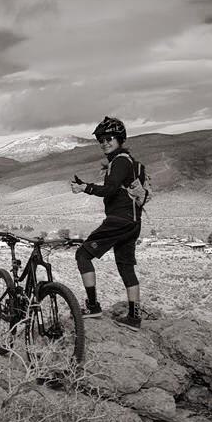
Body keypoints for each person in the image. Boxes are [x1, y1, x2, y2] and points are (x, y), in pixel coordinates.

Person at [70, 116, 143, 331]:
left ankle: (92, 306)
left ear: (119, 139)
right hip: (132, 222)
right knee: (126, 268)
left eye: (109, 138)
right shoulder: (124, 161)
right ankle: (134, 318)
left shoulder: (120, 161)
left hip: (119, 221)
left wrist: (85, 188)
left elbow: (109, 190)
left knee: (82, 255)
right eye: (101, 140)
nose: (104, 143)